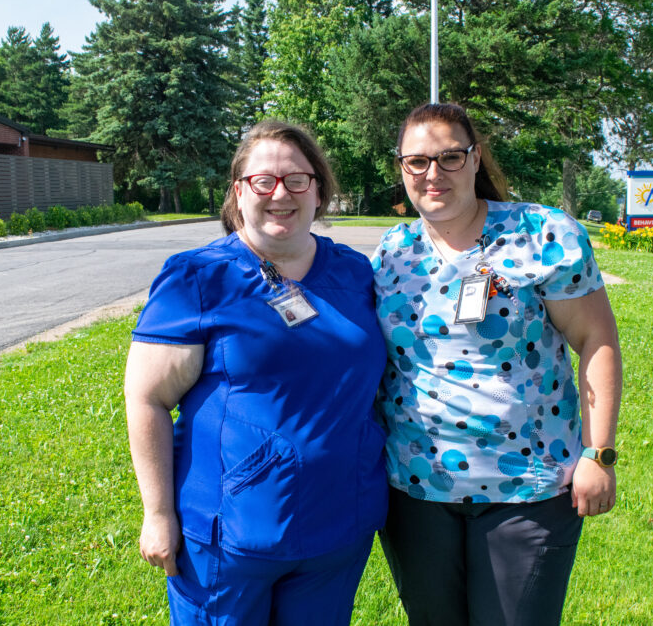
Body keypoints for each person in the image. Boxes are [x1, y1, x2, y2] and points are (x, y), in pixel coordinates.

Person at [124, 121, 388, 625]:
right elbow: (147, 398)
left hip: (338, 530)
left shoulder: (355, 274)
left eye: (296, 179)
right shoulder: (198, 278)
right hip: (228, 541)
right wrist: (157, 514)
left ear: (320, 191)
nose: (279, 193)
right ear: (238, 193)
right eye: (262, 181)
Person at [371, 103, 622, 626]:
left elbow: (595, 338)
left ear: (475, 157)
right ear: (400, 168)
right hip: (415, 491)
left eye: (449, 157)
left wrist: (599, 453)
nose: (432, 174)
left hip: (529, 487)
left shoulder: (541, 234)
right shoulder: (392, 252)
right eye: (416, 161)